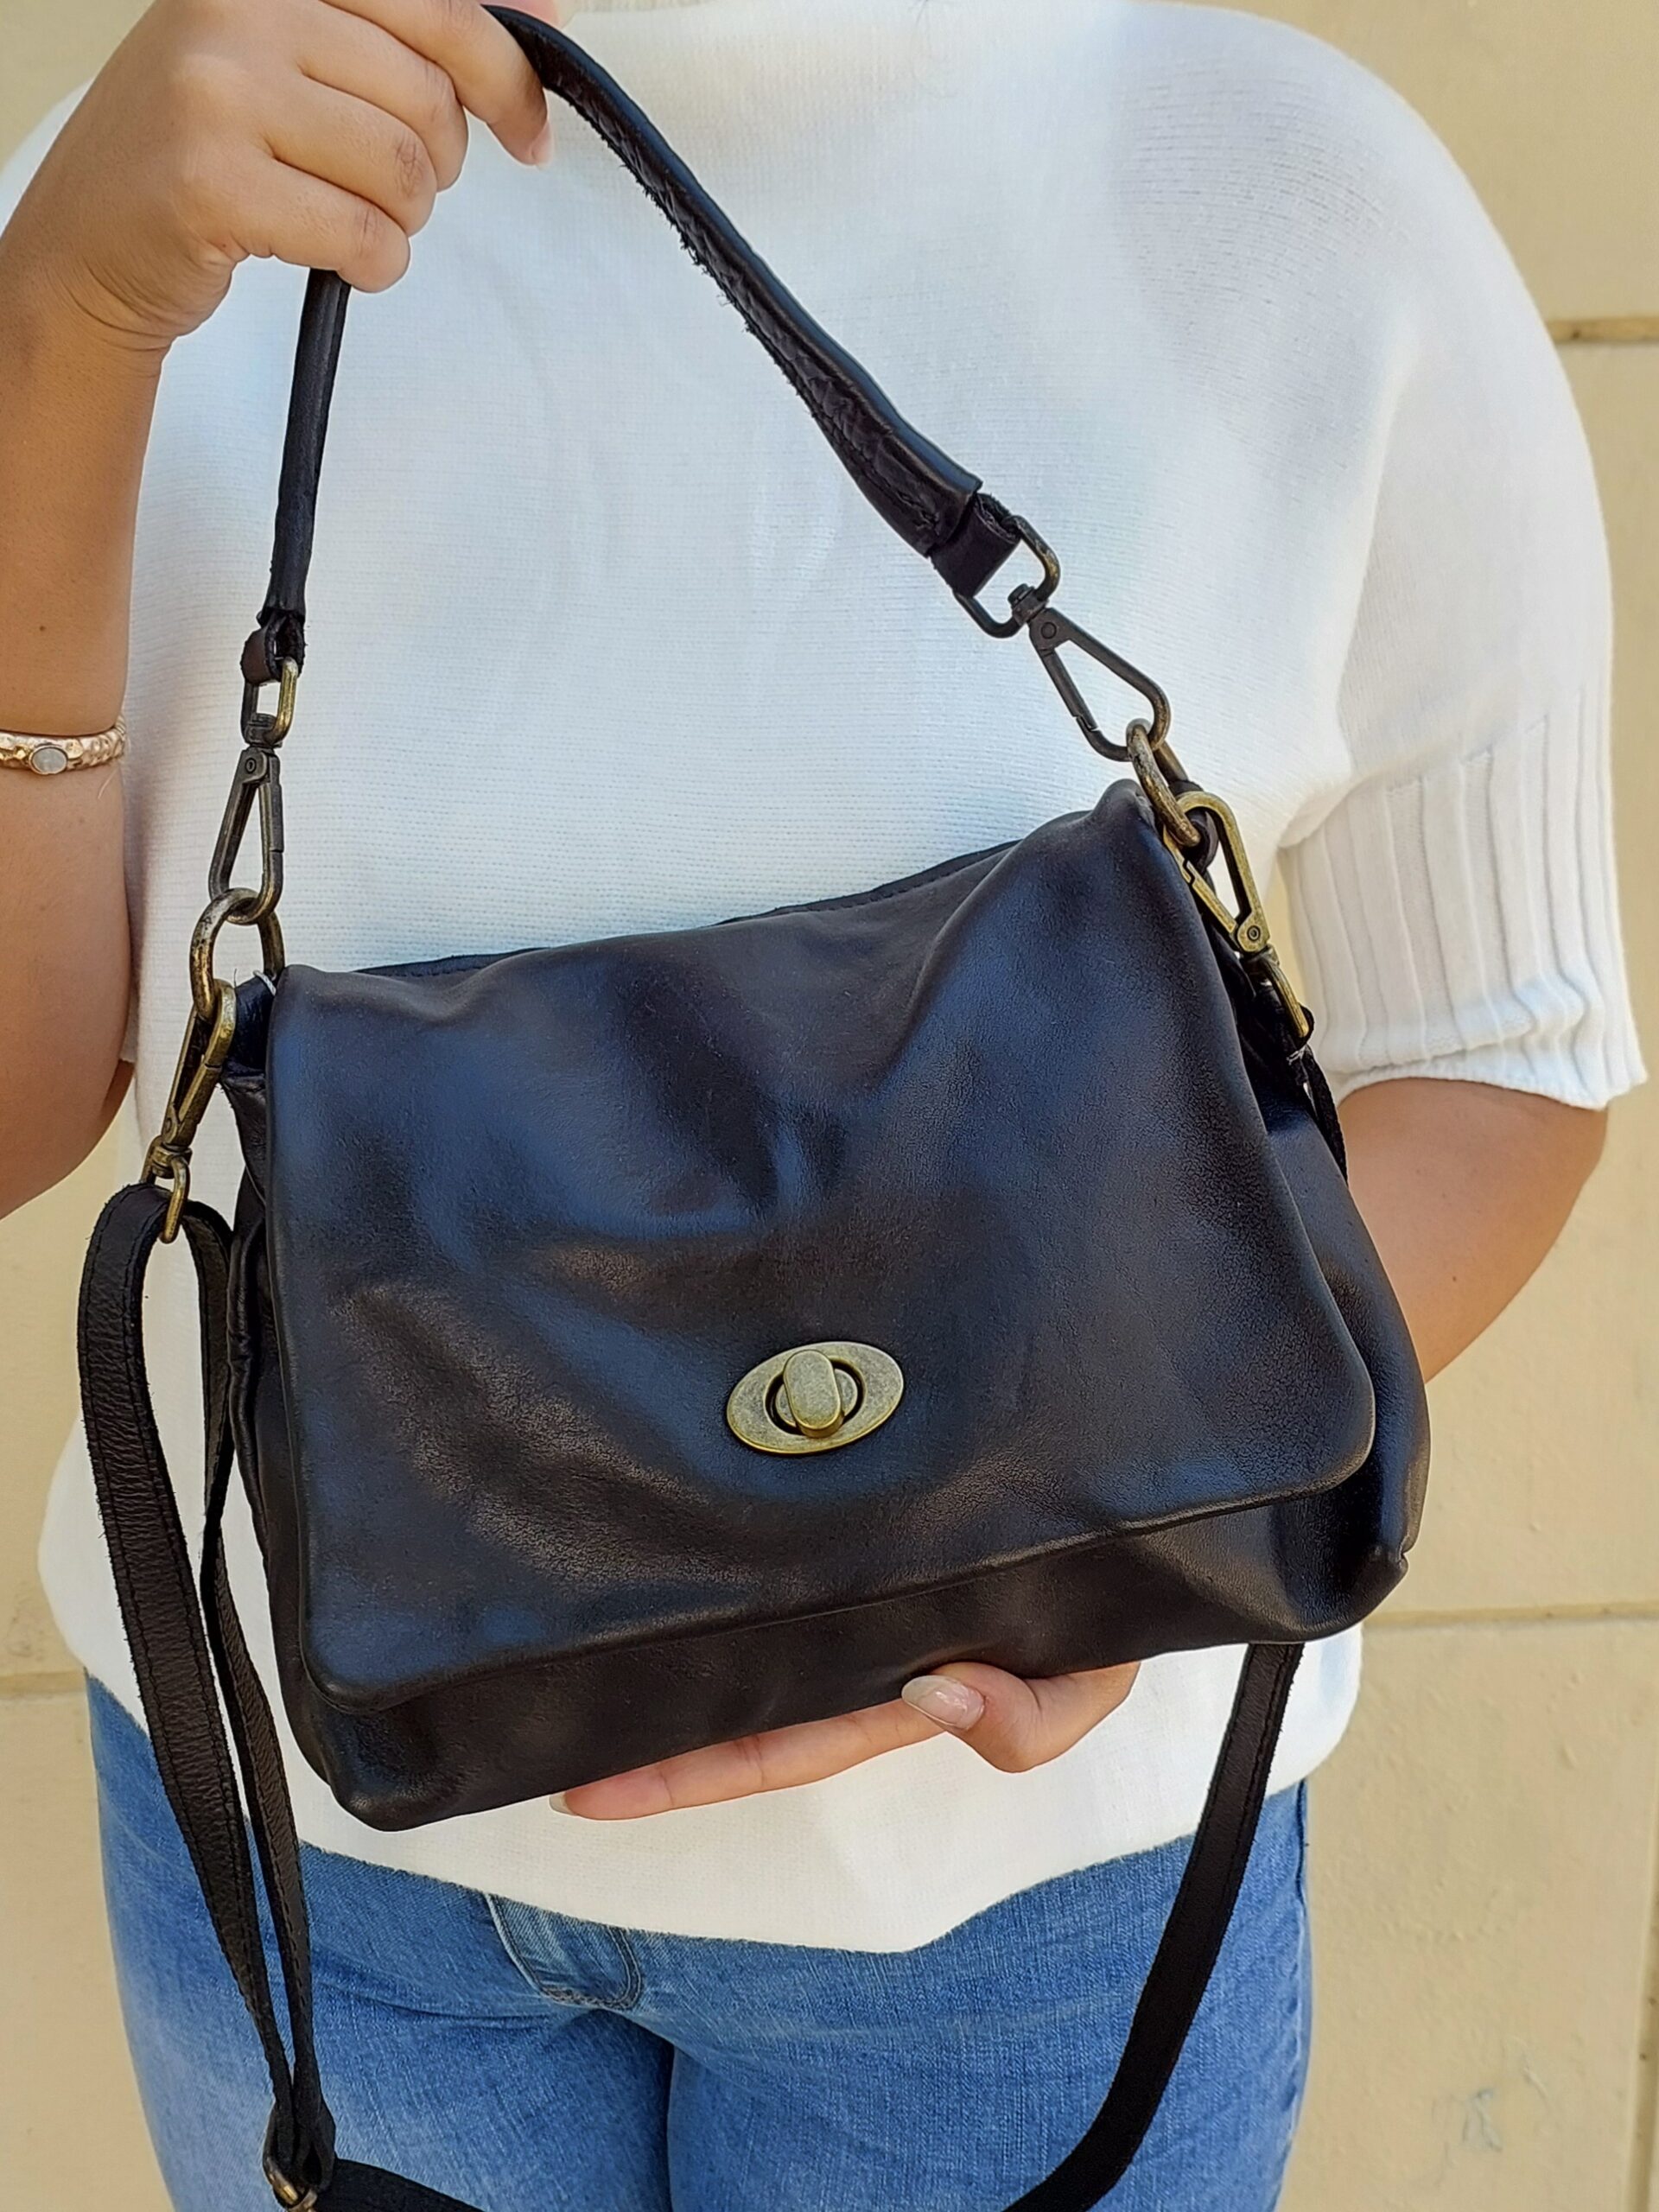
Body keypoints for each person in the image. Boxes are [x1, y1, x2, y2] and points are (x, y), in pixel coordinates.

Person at [0, 1, 1641, 2205]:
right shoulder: (146, 195)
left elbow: (1502, 1055)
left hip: (1041, 1911)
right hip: (320, 1856)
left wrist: (1112, 1520)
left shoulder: (1297, 193)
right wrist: (62, 326)